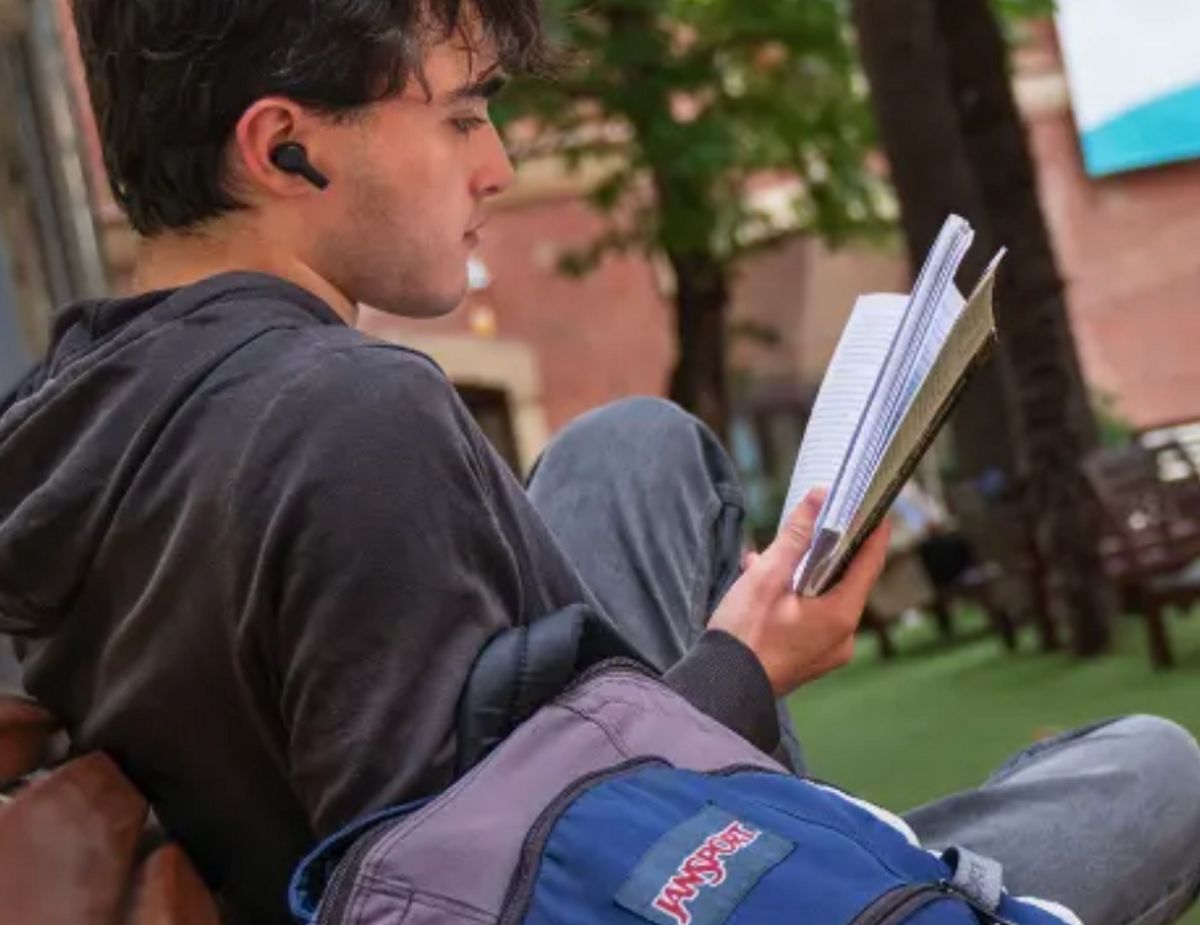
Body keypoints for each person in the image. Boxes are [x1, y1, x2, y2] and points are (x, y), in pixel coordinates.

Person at [0, 3, 1196, 924]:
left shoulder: (58, 420)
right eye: (464, 114)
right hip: (631, 883)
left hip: (479, 828)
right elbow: (473, 887)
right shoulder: (351, 419)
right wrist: (747, 668)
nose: (500, 165)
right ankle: (896, 843)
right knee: (1153, 769)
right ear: (286, 148)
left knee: (637, 445)